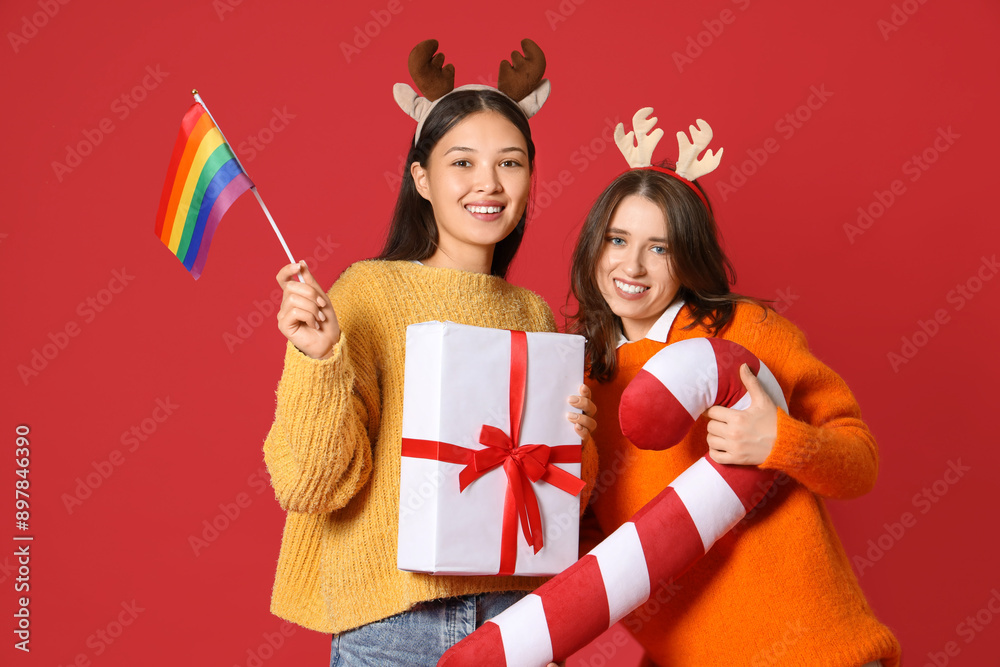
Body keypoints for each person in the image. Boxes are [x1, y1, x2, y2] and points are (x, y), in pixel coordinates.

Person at [262, 40, 598, 666]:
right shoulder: (367, 294)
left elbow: (562, 504)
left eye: (511, 163)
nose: (488, 185)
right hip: (393, 629)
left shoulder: (536, 315)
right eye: (462, 163)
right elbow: (309, 485)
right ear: (421, 178)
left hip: (516, 620)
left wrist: (583, 443)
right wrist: (318, 362)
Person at [567, 110, 901, 666]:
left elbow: (859, 463)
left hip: (814, 649)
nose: (632, 265)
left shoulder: (745, 330)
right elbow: (586, 539)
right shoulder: (579, 374)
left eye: (660, 247)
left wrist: (782, 440)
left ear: (687, 258)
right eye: (617, 239)